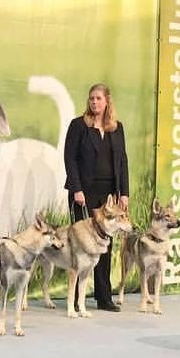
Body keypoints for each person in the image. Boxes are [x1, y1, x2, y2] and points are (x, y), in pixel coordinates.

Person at [63, 83, 130, 313]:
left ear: (107, 101)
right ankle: (74, 299)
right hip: (84, 192)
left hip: (109, 193)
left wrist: (125, 193)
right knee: (80, 244)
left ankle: (104, 296)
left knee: (104, 245)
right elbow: (69, 159)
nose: (94, 102)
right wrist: (76, 188)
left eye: (99, 98)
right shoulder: (79, 125)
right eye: (91, 98)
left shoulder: (116, 128)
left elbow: (122, 161)